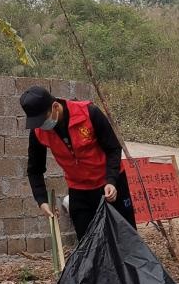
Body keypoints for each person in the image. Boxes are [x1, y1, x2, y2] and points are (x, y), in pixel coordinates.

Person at [20, 86, 135, 241]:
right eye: (37, 122)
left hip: (110, 185)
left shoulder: (89, 113)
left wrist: (111, 180)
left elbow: (113, 148)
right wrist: (42, 200)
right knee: (89, 244)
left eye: (43, 120)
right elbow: (34, 169)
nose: (41, 125)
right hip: (79, 191)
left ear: (55, 106)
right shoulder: (38, 132)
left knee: (124, 239)